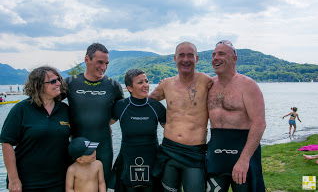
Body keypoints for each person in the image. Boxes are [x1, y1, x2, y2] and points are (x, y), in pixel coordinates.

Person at [150, 42, 212, 192]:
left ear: (197, 58)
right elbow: (146, 103)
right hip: (169, 150)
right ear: (174, 58)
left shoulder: (207, 82)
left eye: (190, 55)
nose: (186, 59)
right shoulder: (166, 84)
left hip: (194, 152)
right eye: (181, 55)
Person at [206, 40, 266, 192]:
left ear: (234, 58)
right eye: (213, 54)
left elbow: (259, 124)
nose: (215, 58)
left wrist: (244, 160)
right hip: (216, 153)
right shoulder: (208, 85)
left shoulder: (248, 85)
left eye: (221, 53)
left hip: (243, 152)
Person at [0, 66, 70, 192]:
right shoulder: (21, 109)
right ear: (38, 85)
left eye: (58, 79)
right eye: (53, 81)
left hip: (60, 181)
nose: (59, 83)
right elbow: (6, 143)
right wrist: (14, 179)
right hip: (28, 182)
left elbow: (76, 136)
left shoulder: (64, 109)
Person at [65, 43, 124, 187]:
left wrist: (106, 122)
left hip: (103, 146)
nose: (103, 67)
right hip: (77, 147)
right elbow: (51, 107)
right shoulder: (70, 83)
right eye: (100, 62)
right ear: (87, 59)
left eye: (106, 63)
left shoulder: (113, 85)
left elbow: (121, 108)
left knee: (103, 184)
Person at [111, 69, 166, 192]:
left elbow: (172, 130)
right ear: (130, 88)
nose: (146, 85)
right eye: (140, 82)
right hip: (128, 157)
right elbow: (103, 124)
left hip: (152, 157)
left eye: (146, 81)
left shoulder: (156, 107)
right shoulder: (121, 106)